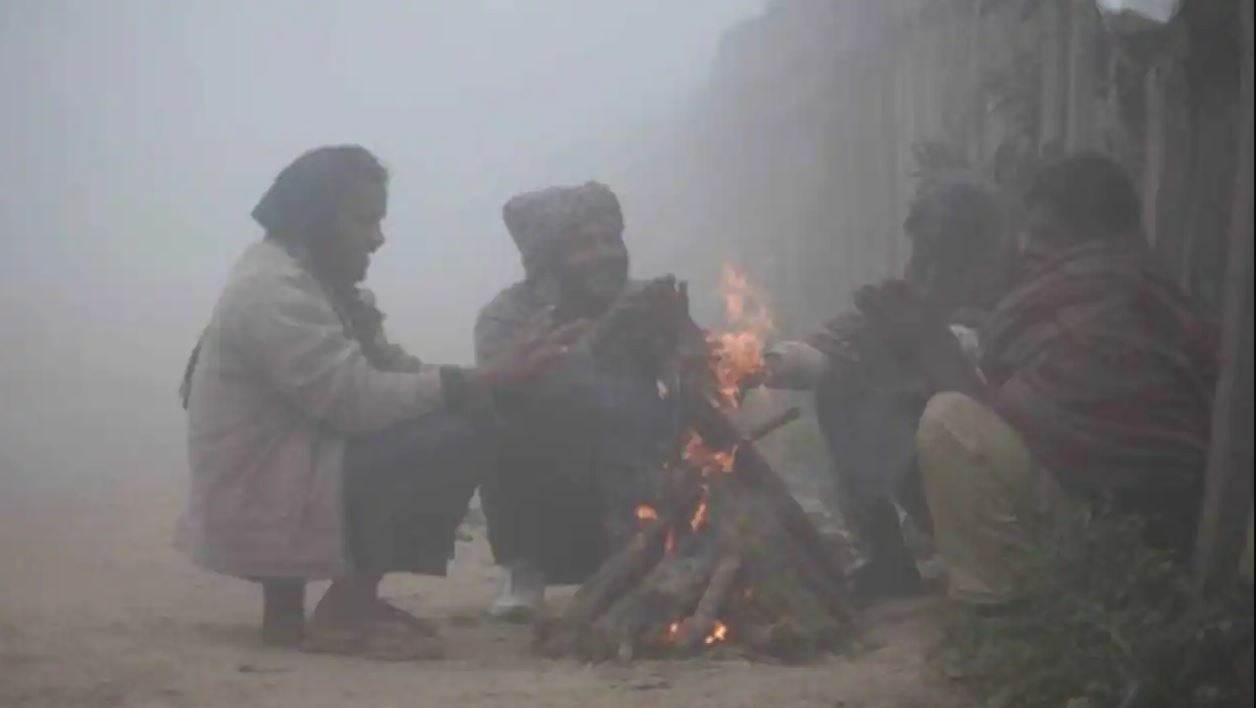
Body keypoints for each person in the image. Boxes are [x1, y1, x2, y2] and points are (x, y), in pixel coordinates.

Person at [177, 145, 582, 659]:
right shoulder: (271, 289)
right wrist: (481, 383)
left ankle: (302, 613)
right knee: (461, 430)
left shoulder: (318, 282)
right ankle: (347, 608)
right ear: (316, 219)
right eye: (364, 220)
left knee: (472, 405)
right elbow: (354, 400)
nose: (378, 238)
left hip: (286, 477)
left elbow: (393, 370)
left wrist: (488, 379)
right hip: (261, 498)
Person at [856, 153, 1217, 605]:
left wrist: (930, 344)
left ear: (1085, 236)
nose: (1030, 249)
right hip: (1156, 527)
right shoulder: (1137, 284)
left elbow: (1023, 434)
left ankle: (999, 606)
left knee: (947, 420)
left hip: (1120, 526)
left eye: (1043, 234)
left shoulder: (1094, 297)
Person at [763, 173, 1006, 599]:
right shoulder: (906, 303)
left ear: (985, 261)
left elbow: (984, 413)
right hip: (938, 503)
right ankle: (887, 558)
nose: (927, 280)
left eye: (946, 263)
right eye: (921, 260)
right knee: (845, 380)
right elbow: (833, 346)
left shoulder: (1007, 317)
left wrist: (925, 348)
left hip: (997, 508)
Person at [475, 181, 682, 620]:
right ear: (550, 260)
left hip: (641, 488)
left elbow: (696, 377)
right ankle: (524, 568)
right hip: (556, 501)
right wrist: (602, 339)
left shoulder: (649, 301)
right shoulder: (507, 316)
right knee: (495, 414)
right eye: (585, 244)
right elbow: (514, 387)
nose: (605, 253)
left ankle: (656, 553)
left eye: (611, 239)